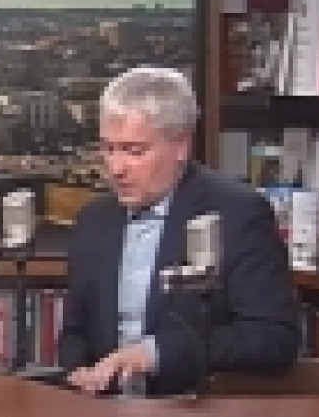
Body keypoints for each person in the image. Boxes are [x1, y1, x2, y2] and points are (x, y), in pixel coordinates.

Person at [59, 66, 301, 396]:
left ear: (180, 146)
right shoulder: (94, 220)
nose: (116, 168)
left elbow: (274, 339)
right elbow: (75, 332)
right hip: (100, 411)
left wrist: (155, 354)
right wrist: (78, 373)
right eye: (108, 149)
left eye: (134, 151)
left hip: (191, 412)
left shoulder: (238, 214)